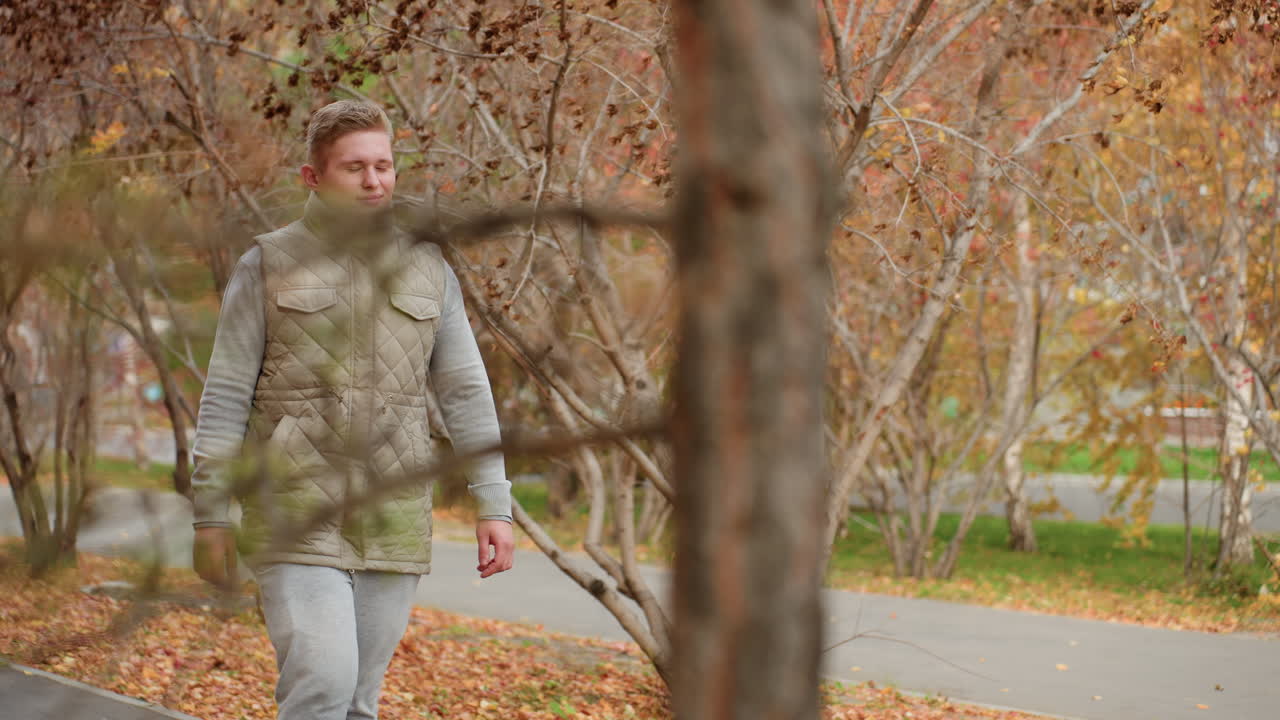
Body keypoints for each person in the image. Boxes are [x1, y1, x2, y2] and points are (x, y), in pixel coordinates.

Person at [189, 99, 515, 720]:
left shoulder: (427, 266)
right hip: (292, 511)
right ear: (313, 177)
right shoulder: (267, 263)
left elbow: (466, 390)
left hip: (393, 514)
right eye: (354, 168)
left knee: (360, 704)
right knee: (322, 688)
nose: (374, 182)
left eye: (384, 167)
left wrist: (493, 503)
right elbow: (226, 394)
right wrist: (210, 515)